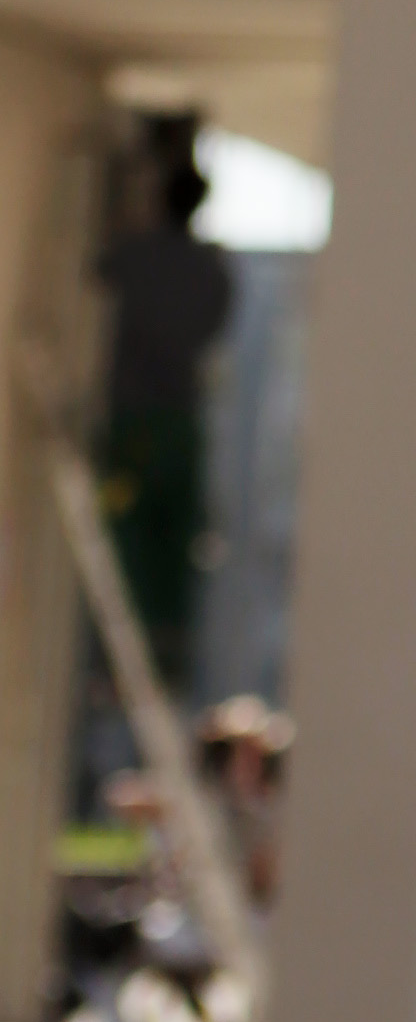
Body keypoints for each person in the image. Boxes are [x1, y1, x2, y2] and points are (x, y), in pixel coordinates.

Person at [89, 116, 234, 698]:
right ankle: (167, 653)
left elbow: (99, 268)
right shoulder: (213, 271)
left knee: (126, 532)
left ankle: (118, 659)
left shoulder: (136, 256)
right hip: (181, 425)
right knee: (176, 541)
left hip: (136, 427)